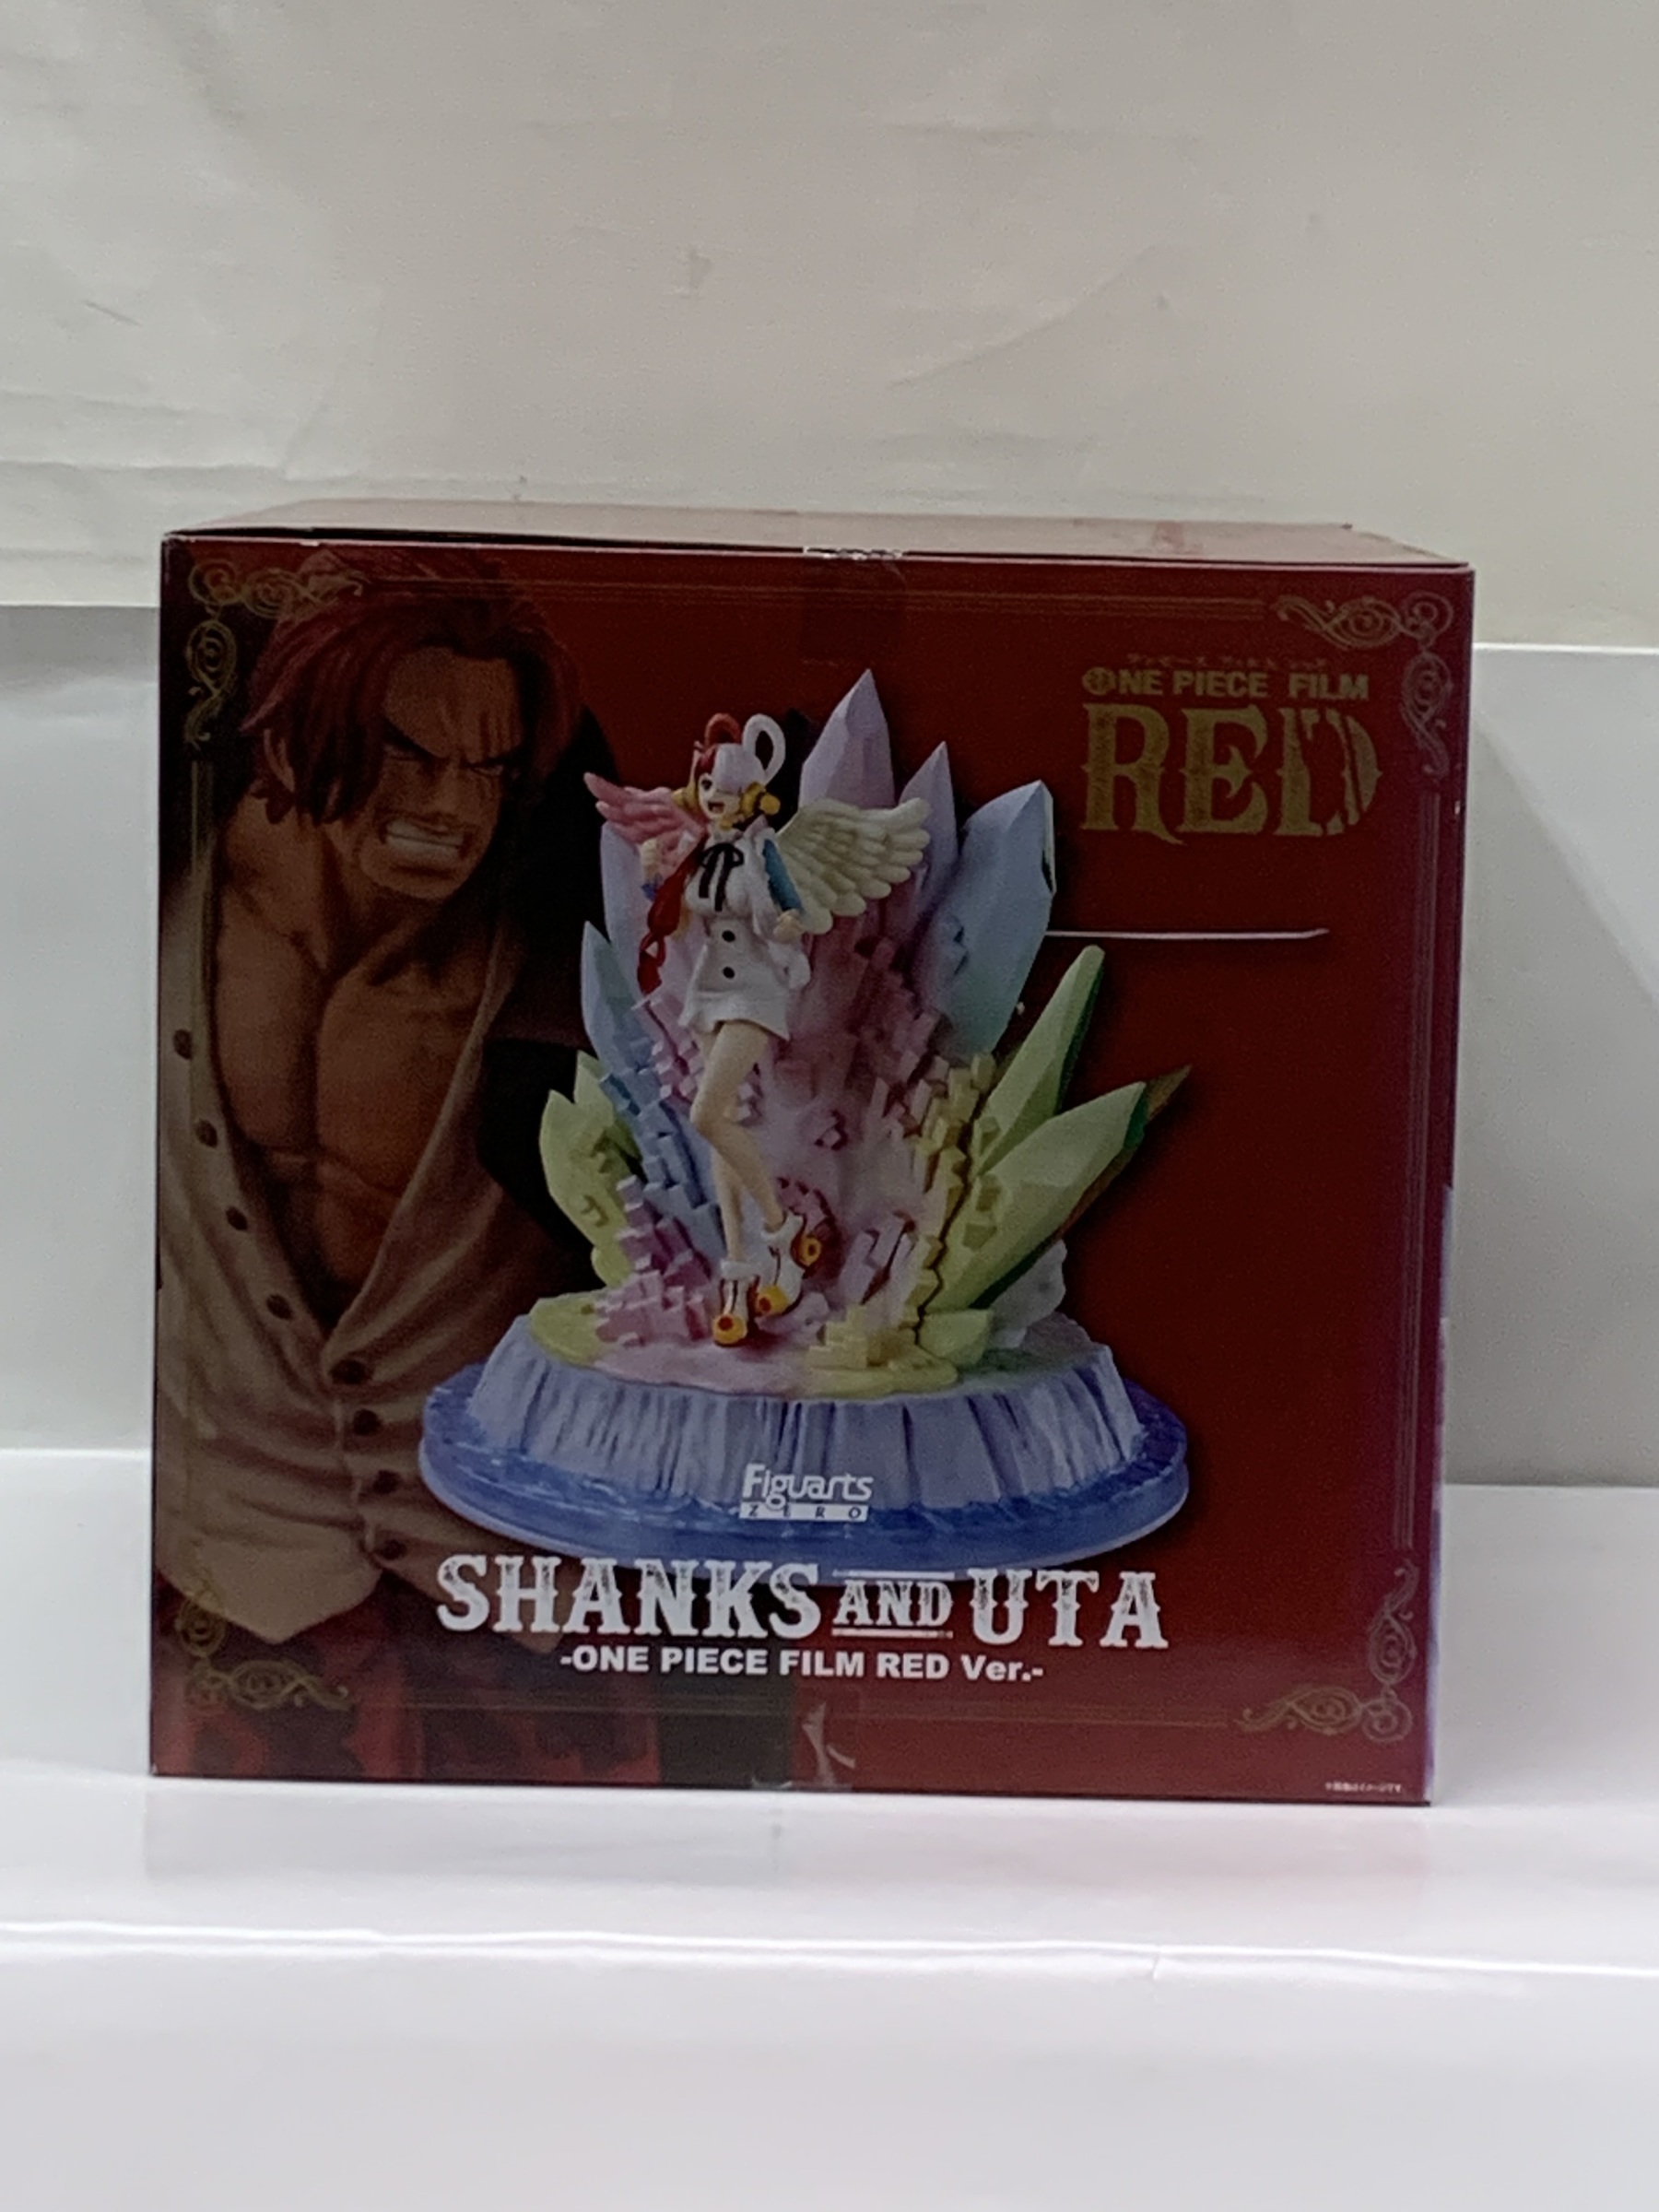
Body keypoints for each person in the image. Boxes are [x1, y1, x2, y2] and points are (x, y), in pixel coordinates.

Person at [152, 550, 650, 1783]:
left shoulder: (564, 945)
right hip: (231, 1563)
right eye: (411, 755)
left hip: (520, 1582)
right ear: (295, 734)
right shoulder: (165, 885)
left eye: (489, 769)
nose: (453, 809)